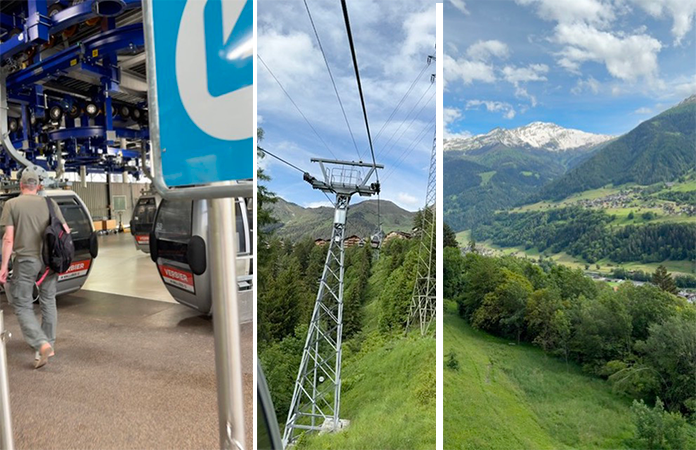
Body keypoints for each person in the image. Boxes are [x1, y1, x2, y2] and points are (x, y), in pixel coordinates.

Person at [0, 170, 70, 369]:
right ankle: (50, 344)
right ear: (38, 186)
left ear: (20, 185)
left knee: (22, 304)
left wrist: (4, 266)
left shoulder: (12, 205)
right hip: (50, 261)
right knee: (48, 300)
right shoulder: (50, 203)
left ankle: (41, 343)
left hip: (26, 261)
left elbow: (8, 239)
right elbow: (65, 231)